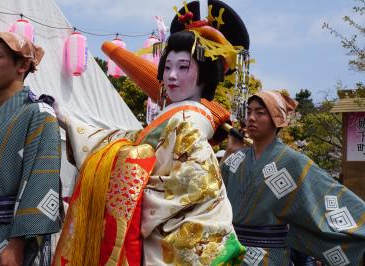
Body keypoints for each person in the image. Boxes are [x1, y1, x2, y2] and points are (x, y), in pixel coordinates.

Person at [54, 1, 250, 265]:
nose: (171, 76)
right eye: (167, 66)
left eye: (183, 67)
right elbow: (128, 140)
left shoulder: (189, 122)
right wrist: (69, 121)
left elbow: (190, 190)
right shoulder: (173, 117)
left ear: (205, 74)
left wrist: (129, 182)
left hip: (169, 240)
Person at [221, 90, 365, 265]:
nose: (251, 118)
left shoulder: (292, 161)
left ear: (277, 119)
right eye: (249, 112)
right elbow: (215, 196)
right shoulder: (236, 159)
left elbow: (325, 194)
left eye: (260, 113)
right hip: (232, 251)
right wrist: (230, 150)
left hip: (269, 255)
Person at [0, 32, 62, 265]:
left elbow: (41, 181)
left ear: (22, 64)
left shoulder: (39, 115)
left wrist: (17, 244)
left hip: (7, 237)